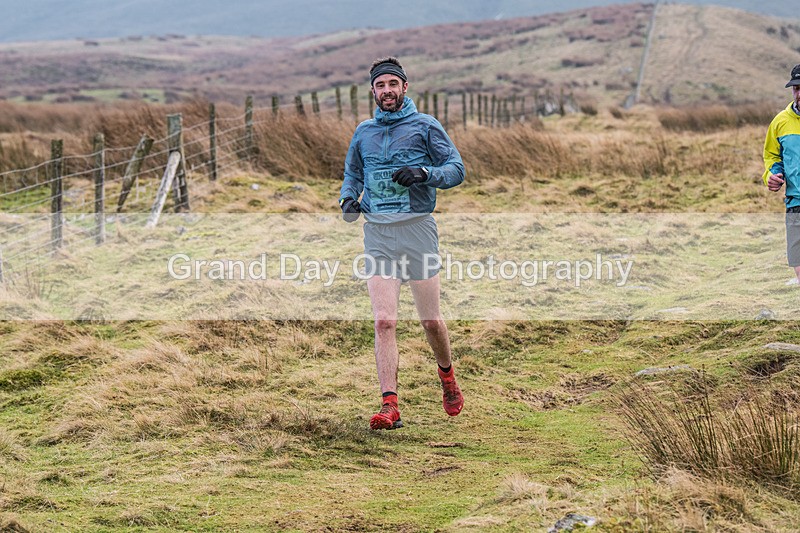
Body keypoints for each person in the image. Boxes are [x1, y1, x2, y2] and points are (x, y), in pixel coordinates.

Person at [339, 56, 465, 430]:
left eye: (394, 84)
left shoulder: (426, 126)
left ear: (405, 88)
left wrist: (425, 173)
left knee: (430, 321)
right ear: (373, 91)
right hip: (378, 235)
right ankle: (389, 406)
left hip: (417, 231)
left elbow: (456, 169)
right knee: (384, 321)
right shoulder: (363, 132)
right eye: (381, 85)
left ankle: (447, 376)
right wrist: (349, 198)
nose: (387, 91)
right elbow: (352, 173)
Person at [764, 63, 800, 284]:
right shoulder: (780, 122)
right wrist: (771, 175)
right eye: (796, 88)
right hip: (795, 202)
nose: (799, 93)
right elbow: (772, 156)